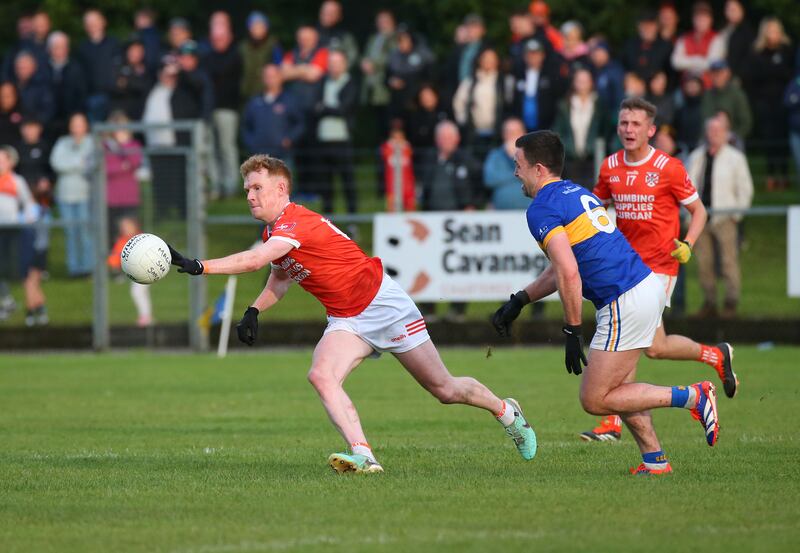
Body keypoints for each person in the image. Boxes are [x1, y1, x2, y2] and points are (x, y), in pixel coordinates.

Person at [167, 154, 537, 473]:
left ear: (281, 189)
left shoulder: (295, 223)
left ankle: (505, 411)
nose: (249, 195)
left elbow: (254, 262)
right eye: (247, 189)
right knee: (321, 375)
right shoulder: (275, 233)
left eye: (256, 188)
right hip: (347, 319)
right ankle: (363, 455)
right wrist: (253, 310)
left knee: (444, 389)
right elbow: (279, 278)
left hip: (383, 304)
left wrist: (201, 266)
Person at [492, 129, 720, 475]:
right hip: (641, 288)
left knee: (595, 398)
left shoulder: (541, 208)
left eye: (518, 165)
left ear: (538, 168)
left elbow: (569, 273)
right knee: (621, 389)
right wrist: (520, 299)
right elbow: (564, 268)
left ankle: (693, 396)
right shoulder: (573, 193)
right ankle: (655, 461)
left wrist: (572, 330)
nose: (515, 173)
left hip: (623, 300)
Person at [576, 97, 736, 443]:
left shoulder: (669, 167)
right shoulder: (610, 166)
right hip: (625, 267)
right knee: (654, 346)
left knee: (634, 342)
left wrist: (688, 244)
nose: (628, 130)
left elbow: (700, 212)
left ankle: (612, 422)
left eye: (636, 124)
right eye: (623, 123)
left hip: (660, 265)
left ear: (651, 130)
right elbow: (594, 206)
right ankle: (715, 354)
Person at [686, 115, 753, 319]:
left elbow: (745, 189)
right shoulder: (697, 156)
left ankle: (731, 302)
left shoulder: (735, 157)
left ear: (726, 133)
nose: (714, 134)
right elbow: (687, 186)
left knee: (728, 261)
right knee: (704, 262)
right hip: (701, 217)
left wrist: (736, 215)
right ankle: (710, 302)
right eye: (711, 130)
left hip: (724, 216)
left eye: (718, 130)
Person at [419, 121, 477, 321]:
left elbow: (479, 184)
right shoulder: (429, 159)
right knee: (430, 263)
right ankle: (429, 308)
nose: (445, 141)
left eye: (448, 137)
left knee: (457, 264)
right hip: (431, 222)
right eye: (442, 137)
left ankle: (458, 309)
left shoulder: (466, 159)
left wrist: (472, 204)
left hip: (457, 223)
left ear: (457, 139)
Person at [749, 17, 795, 191]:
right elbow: (755, 78)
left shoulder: (787, 51)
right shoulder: (758, 53)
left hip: (783, 102)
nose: (772, 35)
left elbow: (788, 75)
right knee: (769, 139)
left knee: (782, 138)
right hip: (765, 103)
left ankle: (783, 175)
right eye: (769, 30)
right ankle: (770, 175)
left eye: (775, 31)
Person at [312, 49, 359, 215]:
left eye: (338, 63)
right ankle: (327, 222)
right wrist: (329, 109)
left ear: (345, 65)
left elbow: (344, 109)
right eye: (331, 64)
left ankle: (353, 221)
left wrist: (324, 108)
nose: (334, 67)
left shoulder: (351, 83)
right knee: (326, 186)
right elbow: (314, 107)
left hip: (342, 140)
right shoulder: (322, 82)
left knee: (348, 184)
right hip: (323, 140)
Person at [50, 112, 96, 277]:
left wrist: (71, 164)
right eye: (74, 123)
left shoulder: (92, 142)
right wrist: (78, 163)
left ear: (85, 125)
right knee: (70, 233)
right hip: (65, 195)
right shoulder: (62, 142)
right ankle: (74, 268)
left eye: (80, 123)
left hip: (84, 195)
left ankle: (88, 267)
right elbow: (56, 163)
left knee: (85, 232)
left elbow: (91, 165)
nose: (76, 127)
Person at [202, 14, 243, 199]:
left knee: (227, 148)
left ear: (229, 37)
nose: (218, 41)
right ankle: (216, 186)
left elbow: (220, 76)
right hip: (209, 109)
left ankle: (230, 185)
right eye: (215, 38)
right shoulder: (208, 57)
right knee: (211, 149)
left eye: (222, 37)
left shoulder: (236, 55)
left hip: (228, 108)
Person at [0, 145, 40, 323]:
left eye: (2, 160)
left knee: (17, 268)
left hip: (13, 231)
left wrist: (28, 218)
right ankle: (7, 301)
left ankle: (34, 306)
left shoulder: (17, 181)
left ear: (11, 162)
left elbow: (29, 203)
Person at [553, 68, 608, 185]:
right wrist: (567, 148)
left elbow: (605, 130)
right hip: (571, 159)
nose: (582, 84)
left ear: (591, 83)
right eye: (579, 81)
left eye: (585, 81)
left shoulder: (600, 105)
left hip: (592, 159)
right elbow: (558, 131)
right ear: (574, 82)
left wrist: (596, 148)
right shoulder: (565, 105)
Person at [241, 64, 305, 161]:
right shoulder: (254, 102)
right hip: (259, 156)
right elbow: (245, 126)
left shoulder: (289, 100)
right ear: (263, 79)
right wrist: (251, 143)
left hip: (282, 155)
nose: (270, 80)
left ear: (280, 77)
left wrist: (290, 139)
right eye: (267, 76)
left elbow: (300, 123)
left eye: (273, 76)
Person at [452, 47, 506, 158]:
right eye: (485, 58)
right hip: (474, 133)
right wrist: (464, 120)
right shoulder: (470, 81)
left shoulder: (504, 82)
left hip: (498, 133)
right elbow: (458, 103)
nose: (488, 61)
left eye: (492, 58)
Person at [103, 111, 143, 245]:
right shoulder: (105, 146)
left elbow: (135, 162)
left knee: (131, 235)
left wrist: (124, 144)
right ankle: (111, 264)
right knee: (111, 235)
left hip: (129, 198)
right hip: (110, 199)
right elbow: (105, 169)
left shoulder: (133, 145)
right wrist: (123, 166)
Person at [77, 9, 121, 122]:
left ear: (103, 22)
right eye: (89, 23)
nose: (93, 25)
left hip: (116, 97)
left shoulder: (114, 44)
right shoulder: (82, 48)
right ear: (85, 26)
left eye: (95, 21)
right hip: (92, 98)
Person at [108, 216, 152, 327]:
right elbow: (114, 259)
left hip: (147, 270)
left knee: (137, 292)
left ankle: (145, 317)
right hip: (136, 272)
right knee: (141, 293)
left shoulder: (141, 238)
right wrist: (114, 268)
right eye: (123, 227)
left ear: (135, 226)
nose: (126, 229)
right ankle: (147, 316)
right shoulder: (122, 241)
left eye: (128, 226)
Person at [360, 10, 397, 141]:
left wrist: (373, 64)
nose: (382, 24)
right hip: (372, 89)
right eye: (380, 21)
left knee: (388, 123)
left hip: (386, 88)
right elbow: (366, 56)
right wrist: (364, 63)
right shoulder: (373, 38)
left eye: (385, 21)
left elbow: (392, 57)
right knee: (378, 125)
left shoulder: (394, 38)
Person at [670, 2, 725, 88]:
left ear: (710, 20)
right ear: (693, 19)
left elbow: (712, 64)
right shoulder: (684, 38)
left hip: (708, 88)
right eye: (698, 18)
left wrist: (688, 61)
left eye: (704, 19)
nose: (700, 22)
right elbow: (675, 62)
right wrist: (699, 60)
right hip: (685, 87)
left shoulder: (717, 39)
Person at [484, 117, 530, 210]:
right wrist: (518, 175)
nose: (512, 136)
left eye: (516, 132)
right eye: (509, 132)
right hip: (501, 212)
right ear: (503, 135)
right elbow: (489, 180)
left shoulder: (533, 155)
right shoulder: (495, 155)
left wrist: (516, 156)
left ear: (524, 134)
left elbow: (533, 176)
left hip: (529, 212)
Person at [701, 60, 752, 143]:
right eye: (714, 73)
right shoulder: (707, 94)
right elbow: (705, 118)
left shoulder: (737, 94)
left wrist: (732, 136)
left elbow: (745, 122)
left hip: (732, 138)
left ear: (728, 73)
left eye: (720, 72)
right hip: (710, 137)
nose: (717, 76)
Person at [238, 11, 283, 102]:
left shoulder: (273, 45)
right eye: (254, 26)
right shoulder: (242, 47)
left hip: (267, 93)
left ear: (266, 28)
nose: (257, 29)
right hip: (246, 93)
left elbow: (279, 68)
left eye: (261, 26)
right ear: (249, 28)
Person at [380, 123, 415, 212]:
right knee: (392, 208)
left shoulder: (407, 148)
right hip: (392, 185)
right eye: (395, 138)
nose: (398, 140)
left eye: (400, 137)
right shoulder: (387, 148)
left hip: (407, 185)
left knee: (410, 208)